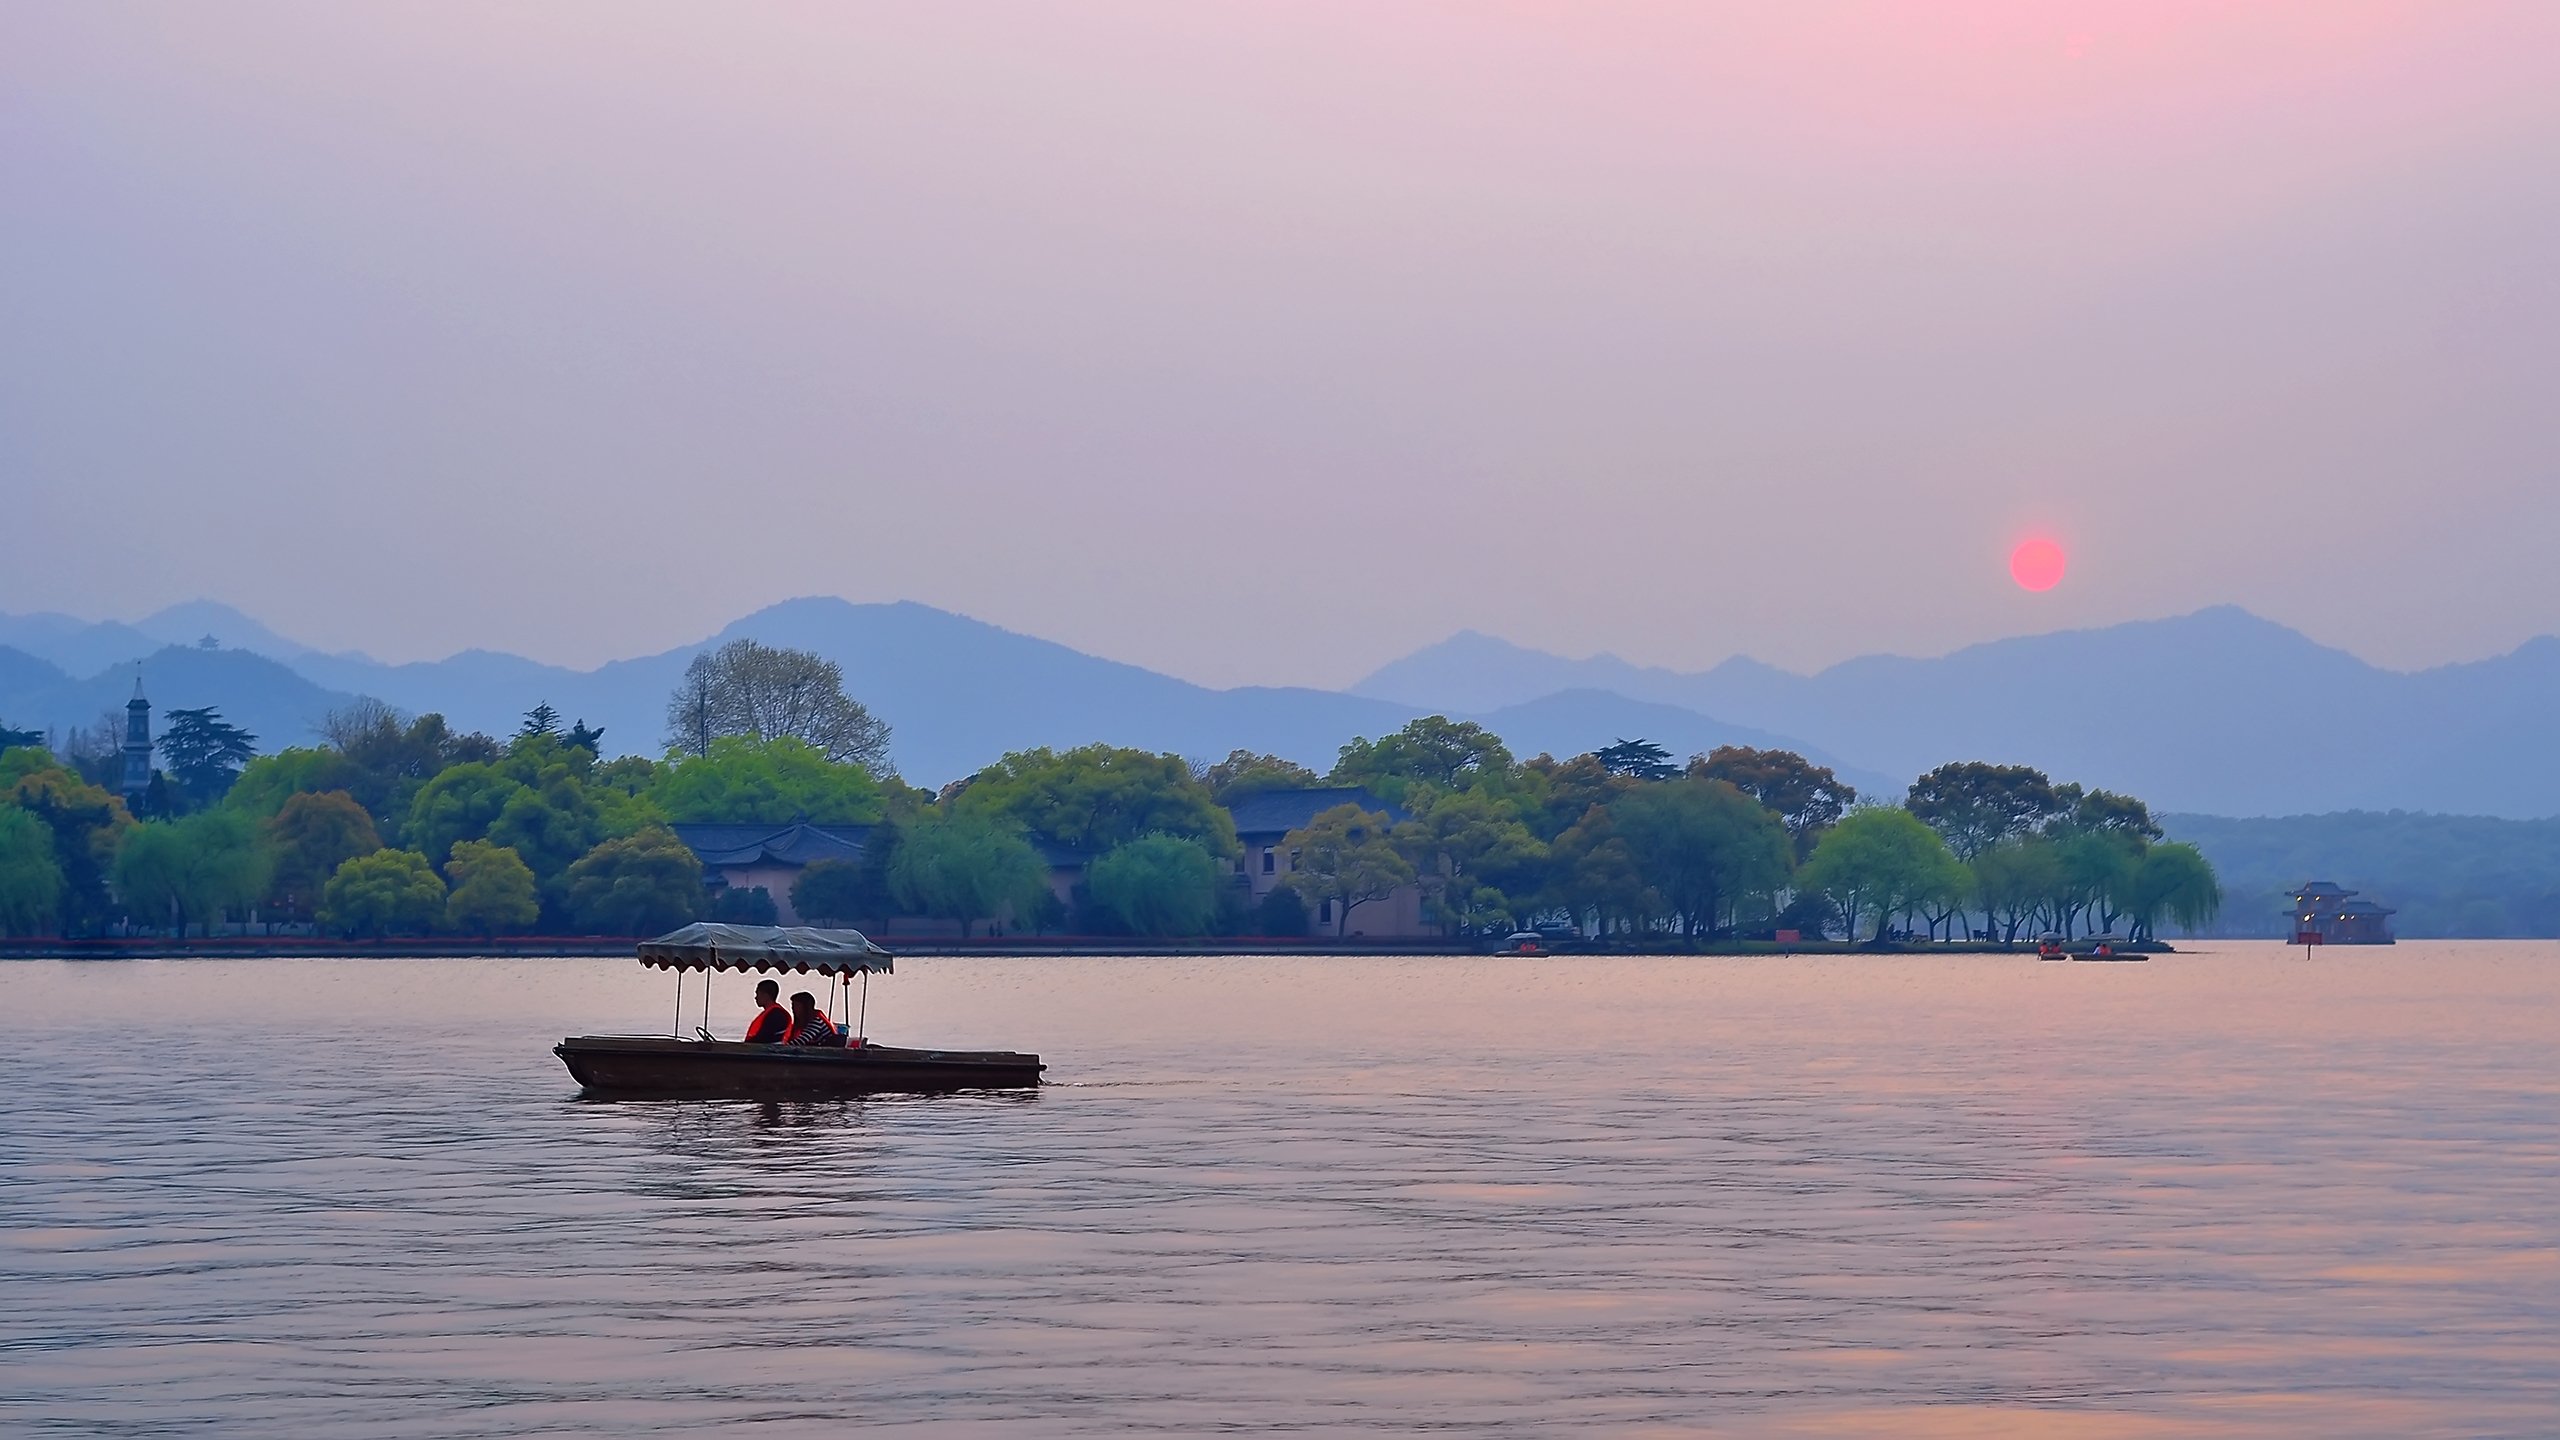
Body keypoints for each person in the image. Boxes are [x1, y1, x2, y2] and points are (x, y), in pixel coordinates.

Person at [743, 979, 790, 1044]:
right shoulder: (773, 1013)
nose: (756, 998)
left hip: (769, 1052)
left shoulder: (776, 1015)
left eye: (758, 994)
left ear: (766, 995)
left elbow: (764, 1037)